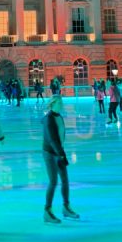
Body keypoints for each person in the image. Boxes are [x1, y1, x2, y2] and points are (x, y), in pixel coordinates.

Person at [42, 95, 79, 223]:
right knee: (53, 181)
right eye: (59, 103)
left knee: (65, 180)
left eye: (62, 103)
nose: (61, 105)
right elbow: (52, 140)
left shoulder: (59, 117)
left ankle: (66, 208)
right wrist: (61, 154)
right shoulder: (48, 119)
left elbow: (60, 137)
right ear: (52, 104)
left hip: (59, 151)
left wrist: (61, 153)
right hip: (50, 153)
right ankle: (47, 211)